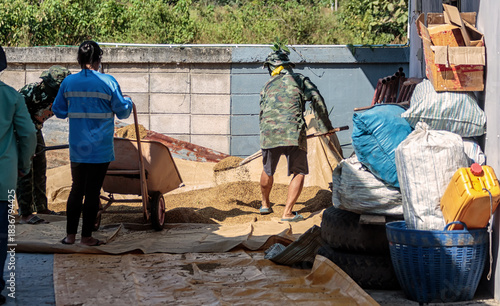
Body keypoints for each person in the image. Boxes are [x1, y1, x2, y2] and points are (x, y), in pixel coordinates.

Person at [52, 40, 132, 246]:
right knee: (93, 192)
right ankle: (86, 237)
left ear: (79, 60)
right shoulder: (108, 82)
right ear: (98, 59)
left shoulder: (68, 82)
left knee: (76, 189)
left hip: (78, 147)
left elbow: (59, 111)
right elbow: (122, 111)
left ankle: (70, 236)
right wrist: (129, 102)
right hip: (100, 147)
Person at [259, 48, 334, 222]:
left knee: (267, 169)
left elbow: (262, 112)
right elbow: (317, 98)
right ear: (287, 66)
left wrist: (265, 133)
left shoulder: (266, 86)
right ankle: (287, 213)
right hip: (294, 133)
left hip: (269, 133)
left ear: (271, 67)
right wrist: (325, 126)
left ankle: (264, 204)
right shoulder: (299, 80)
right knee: (299, 171)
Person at [0, 46, 37, 303]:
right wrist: (23, 165)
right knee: (1, 237)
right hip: (3, 181)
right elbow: (28, 135)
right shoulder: (11, 97)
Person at [17, 65, 71, 225]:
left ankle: (41, 207)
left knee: (40, 168)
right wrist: (25, 145)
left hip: (36, 130)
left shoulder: (62, 96)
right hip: (22, 132)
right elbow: (16, 118)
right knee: (26, 172)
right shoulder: (29, 92)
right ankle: (25, 212)